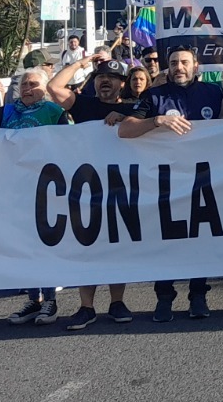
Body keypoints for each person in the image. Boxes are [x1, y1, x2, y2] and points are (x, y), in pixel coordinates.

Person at [118, 46, 223, 321]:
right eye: (175, 62)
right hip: (165, 181)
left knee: (200, 239)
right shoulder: (154, 96)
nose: (179, 67)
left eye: (185, 62)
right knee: (166, 239)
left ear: (196, 66)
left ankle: (198, 295)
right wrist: (156, 120)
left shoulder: (214, 93)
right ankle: (164, 298)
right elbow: (125, 129)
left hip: (203, 179)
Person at [0, 67, 73, 326]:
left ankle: (50, 300)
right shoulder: (8, 111)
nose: (27, 88)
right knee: (24, 246)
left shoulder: (54, 112)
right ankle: (33, 299)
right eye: (24, 84)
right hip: (14, 189)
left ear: (45, 88)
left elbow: (71, 143)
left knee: (44, 244)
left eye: (34, 84)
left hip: (46, 186)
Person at [50, 59, 139, 330]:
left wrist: (125, 118)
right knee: (87, 246)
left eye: (112, 77)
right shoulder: (83, 104)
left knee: (116, 247)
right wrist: (82, 62)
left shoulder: (132, 108)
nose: (105, 81)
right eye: (100, 77)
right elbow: (54, 87)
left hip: (120, 185)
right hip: (86, 187)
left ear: (122, 83)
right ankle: (86, 307)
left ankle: (117, 302)